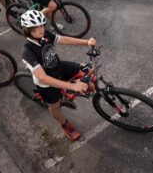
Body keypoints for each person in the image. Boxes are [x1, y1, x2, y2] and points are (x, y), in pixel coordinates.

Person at [20, 9, 97, 141]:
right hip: (46, 83)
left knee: (87, 69)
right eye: (35, 28)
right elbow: (43, 77)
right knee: (55, 107)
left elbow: (64, 39)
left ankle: (74, 87)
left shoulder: (45, 35)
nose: (40, 29)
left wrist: (86, 42)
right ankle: (65, 124)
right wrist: (73, 87)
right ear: (27, 31)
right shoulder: (27, 52)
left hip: (58, 67)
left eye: (41, 25)